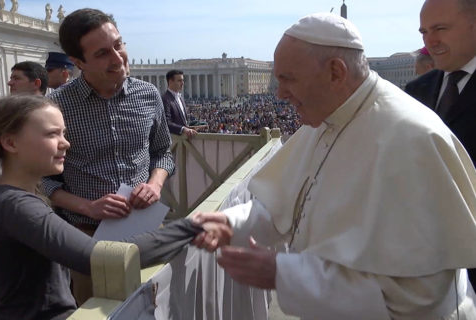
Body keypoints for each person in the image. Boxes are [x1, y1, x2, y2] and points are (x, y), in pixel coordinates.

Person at [192, 13, 476, 319]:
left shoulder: (412, 138)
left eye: (288, 79)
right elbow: (285, 205)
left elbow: (417, 299)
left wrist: (283, 274)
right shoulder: (323, 118)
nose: (280, 93)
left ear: (335, 72)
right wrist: (230, 222)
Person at [0, 95, 231, 319]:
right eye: (52, 134)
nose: (66, 143)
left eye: (64, 133)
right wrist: (191, 227)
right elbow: (98, 257)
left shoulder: (12, 199)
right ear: (11, 143)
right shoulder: (15, 206)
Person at [42, 9, 174, 304]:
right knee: (102, 309)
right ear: (77, 62)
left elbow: (162, 152)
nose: (118, 58)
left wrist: (154, 185)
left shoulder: (148, 94)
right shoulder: (55, 107)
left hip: (147, 228)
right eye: (103, 53)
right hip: (86, 237)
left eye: (119, 44)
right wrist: (88, 207)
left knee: (159, 303)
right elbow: (43, 180)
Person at [406, 0, 476, 286]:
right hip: (424, 262)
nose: (429, 41)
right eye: (424, 31)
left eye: (440, 28)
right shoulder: (416, 90)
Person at [161, 70, 197, 137]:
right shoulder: (165, 99)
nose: (182, 83)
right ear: (170, 81)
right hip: (174, 141)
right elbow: (166, 122)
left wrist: (190, 127)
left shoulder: (181, 98)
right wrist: (183, 129)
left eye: (183, 80)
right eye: (179, 81)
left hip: (183, 140)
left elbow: (183, 121)